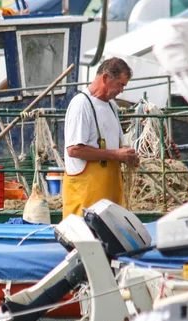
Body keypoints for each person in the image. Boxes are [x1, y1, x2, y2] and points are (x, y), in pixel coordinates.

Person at [62, 57, 139, 219]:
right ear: (105, 78)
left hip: (109, 199)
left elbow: (118, 145)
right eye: (120, 84)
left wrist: (128, 156)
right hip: (85, 200)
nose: (122, 91)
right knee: (86, 240)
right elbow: (74, 150)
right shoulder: (81, 104)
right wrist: (116, 155)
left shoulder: (111, 106)